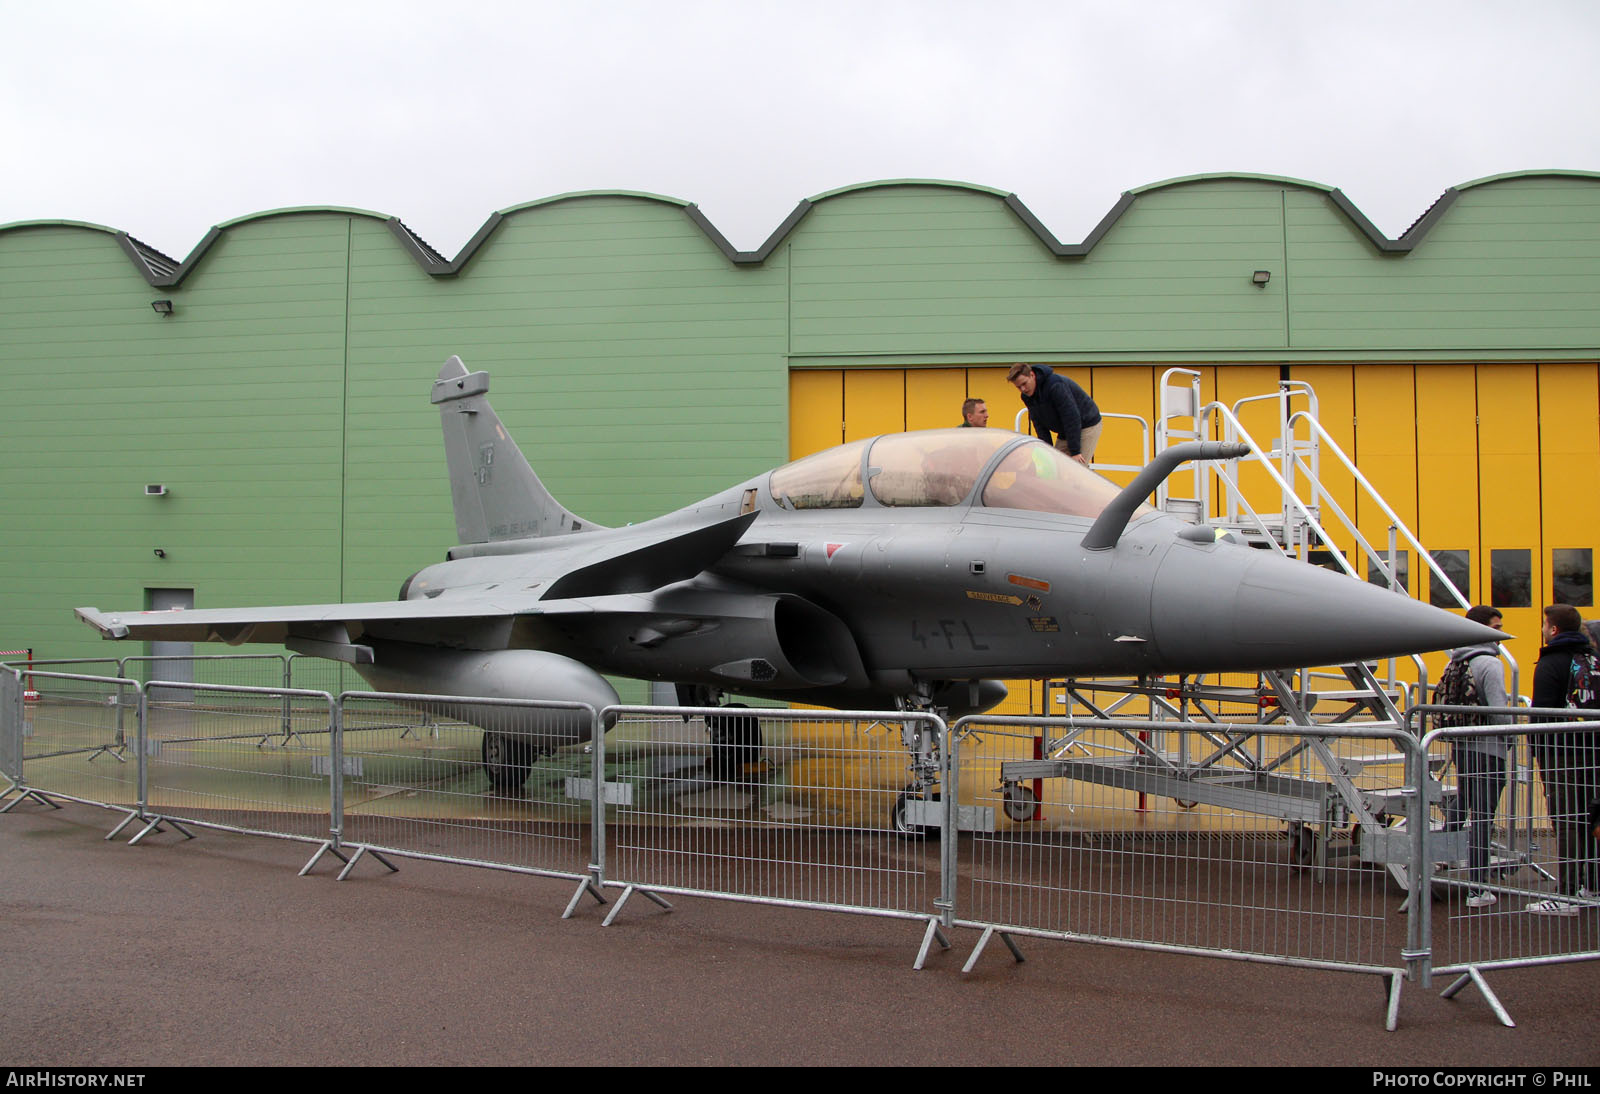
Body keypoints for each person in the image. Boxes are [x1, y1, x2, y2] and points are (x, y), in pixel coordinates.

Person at [1526, 603, 1600, 916]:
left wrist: (1536, 750)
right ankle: (1592, 887)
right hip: (1594, 751)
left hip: (1562, 755)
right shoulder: (1593, 659)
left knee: (1567, 821)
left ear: (1553, 629)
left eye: (1545, 625)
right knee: (1592, 819)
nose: (1543, 629)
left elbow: (1541, 713)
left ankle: (1566, 895)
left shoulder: (1551, 662)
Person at [1436, 605, 1511, 907]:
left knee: (1463, 803)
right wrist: (1511, 740)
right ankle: (1478, 887)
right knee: (1483, 816)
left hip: (1463, 746)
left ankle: (1441, 858)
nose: (1501, 632)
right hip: (1487, 749)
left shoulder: (1456, 660)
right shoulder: (1489, 663)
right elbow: (1498, 711)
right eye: (1496, 626)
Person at [1006, 363, 1102, 465]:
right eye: (1018, 387)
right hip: (1065, 430)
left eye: (1024, 384)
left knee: (1077, 468)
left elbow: (1071, 417)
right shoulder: (1026, 397)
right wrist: (1047, 451)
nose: (1023, 389)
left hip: (1087, 424)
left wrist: (1075, 452)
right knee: (1055, 465)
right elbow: (1039, 425)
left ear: (1032, 375)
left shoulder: (1055, 385)